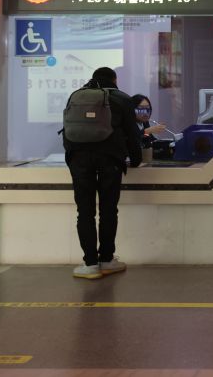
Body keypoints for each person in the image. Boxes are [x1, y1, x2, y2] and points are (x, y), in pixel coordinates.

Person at [63, 67, 141, 280]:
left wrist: (72, 158)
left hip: (79, 159)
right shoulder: (122, 99)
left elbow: (68, 128)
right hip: (110, 158)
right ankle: (106, 260)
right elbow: (133, 134)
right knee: (108, 210)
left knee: (85, 212)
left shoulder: (76, 96)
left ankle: (90, 264)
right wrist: (135, 160)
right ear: (114, 80)